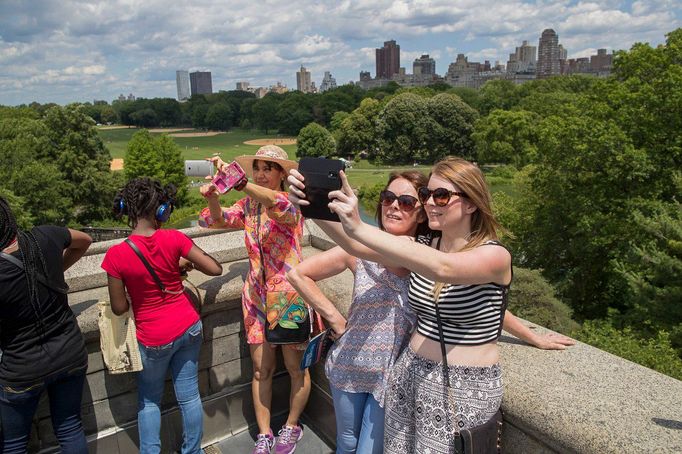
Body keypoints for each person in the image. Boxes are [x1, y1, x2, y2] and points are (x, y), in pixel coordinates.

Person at [286, 167, 574, 453]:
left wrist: (533, 337)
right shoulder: (423, 245)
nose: (430, 203)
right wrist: (309, 206)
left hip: (461, 386)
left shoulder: (494, 255)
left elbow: (446, 270)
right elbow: (354, 245)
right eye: (426, 194)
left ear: (472, 202)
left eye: (441, 195)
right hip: (407, 372)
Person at [198, 145, 323, 454]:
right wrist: (214, 194)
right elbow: (213, 221)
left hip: (288, 297)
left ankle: (292, 426)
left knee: (296, 368)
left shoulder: (290, 203)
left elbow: (275, 203)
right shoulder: (247, 206)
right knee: (260, 370)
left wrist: (240, 182)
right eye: (257, 167)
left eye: (269, 168)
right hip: (255, 298)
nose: (262, 173)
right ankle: (265, 435)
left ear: (282, 174)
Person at [101, 178, 223, 454]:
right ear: (161, 210)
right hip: (188, 327)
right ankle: (193, 451)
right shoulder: (174, 239)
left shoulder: (115, 256)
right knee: (189, 396)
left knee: (149, 401)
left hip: (152, 338)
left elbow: (119, 308)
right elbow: (215, 269)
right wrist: (185, 263)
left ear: (124, 208)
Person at [0, 196, 92, 453]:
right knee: (70, 427)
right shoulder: (44, 237)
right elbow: (85, 240)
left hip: (22, 369)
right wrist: (55, 269)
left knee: (14, 442)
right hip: (70, 353)